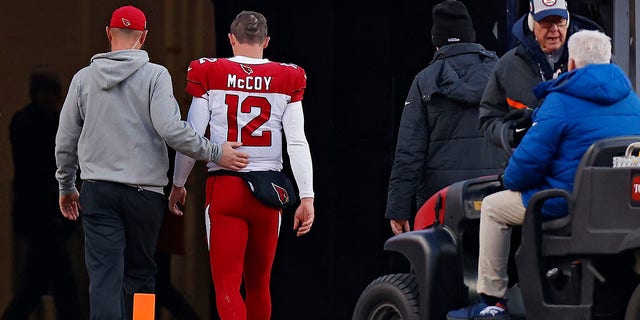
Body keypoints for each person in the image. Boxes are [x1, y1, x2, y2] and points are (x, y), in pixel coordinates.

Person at [54, 5, 249, 319]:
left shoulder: (82, 80)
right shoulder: (155, 76)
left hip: (98, 190)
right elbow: (172, 130)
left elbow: (65, 140)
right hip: (145, 194)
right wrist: (215, 152)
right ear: (143, 37)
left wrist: (66, 185)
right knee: (142, 275)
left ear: (107, 33)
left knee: (104, 277)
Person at [447, 29, 640, 320]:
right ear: (608, 61)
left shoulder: (561, 101)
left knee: (493, 207)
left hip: (567, 202)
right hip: (620, 206)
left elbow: (523, 168)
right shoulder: (633, 101)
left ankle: (493, 302)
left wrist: (510, 176)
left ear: (572, 64)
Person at [168, 10, 315, 320]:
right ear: (266, 41)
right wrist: (307, 195)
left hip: (227, 186)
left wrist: (178, 183)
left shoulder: (210, 71)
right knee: (260, 285)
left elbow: (192, 136)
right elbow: (297, 142)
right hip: (268, 191)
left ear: (231, 39)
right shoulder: (287, 76)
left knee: (227, 286)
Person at [386, 0, 506, 235]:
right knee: (496, 268)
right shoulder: (502, 72)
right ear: (471, 36)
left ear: (436, 42)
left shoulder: (424, 81)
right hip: (495, 195)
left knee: (436, 267)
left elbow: (409, 151)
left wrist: (398, 208)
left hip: (439, 202)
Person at [4, 66, 83, 320]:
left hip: (36, 214)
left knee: (39, 283)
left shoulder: (25, 121)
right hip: (45, 213)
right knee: (58, 284)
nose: (53, 98)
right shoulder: (49, 124)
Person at [479, 0, 602, 149]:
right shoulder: (507, 65)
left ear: (568, 21)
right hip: (528, 163)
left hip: (577, 161)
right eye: (546, 22)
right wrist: (513, 135)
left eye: (559, 21)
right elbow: (489, 119)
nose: (554, 29)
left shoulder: (594, 58)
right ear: (532, 24)